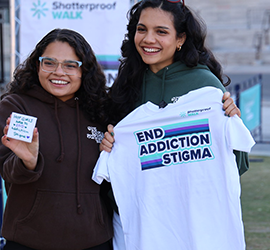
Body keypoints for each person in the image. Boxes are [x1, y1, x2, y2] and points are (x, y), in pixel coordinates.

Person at [99, 0, 252, 248]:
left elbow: (237, 164)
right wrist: (108, 145)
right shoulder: (127, 83)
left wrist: (231, 123)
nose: (148, 39)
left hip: (192, 221)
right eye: (142, 29)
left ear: (180, 38)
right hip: (139, 223)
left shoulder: (205, 85)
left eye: (161, 31)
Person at [0, 28, 113, 250]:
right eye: (49, 63)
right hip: (29, 241)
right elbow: (8, 170)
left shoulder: (101, 111)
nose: (59, 72)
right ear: (37, 65)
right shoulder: (18, 107)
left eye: (70, 65)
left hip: (93, 240)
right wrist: (28, 161)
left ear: (84, 70)